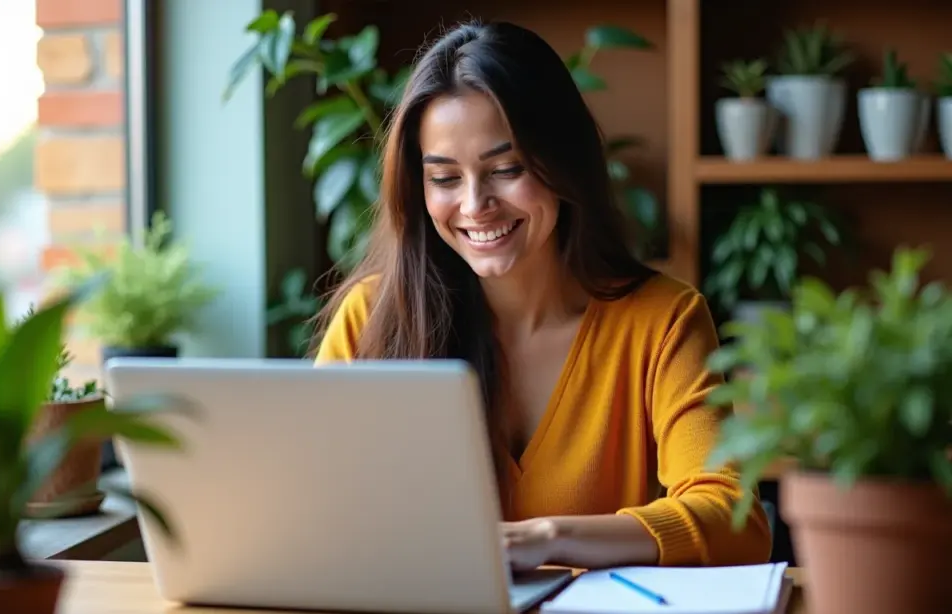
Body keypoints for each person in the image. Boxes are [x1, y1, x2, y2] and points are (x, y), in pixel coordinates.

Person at [311, 19, 772, 571]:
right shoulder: (371, 316)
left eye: (506, 169)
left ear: (563, 164)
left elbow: (732, 516)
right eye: (445, 178)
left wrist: (550, 539)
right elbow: (311, 511)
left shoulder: (661, 320)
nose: (476, 204)